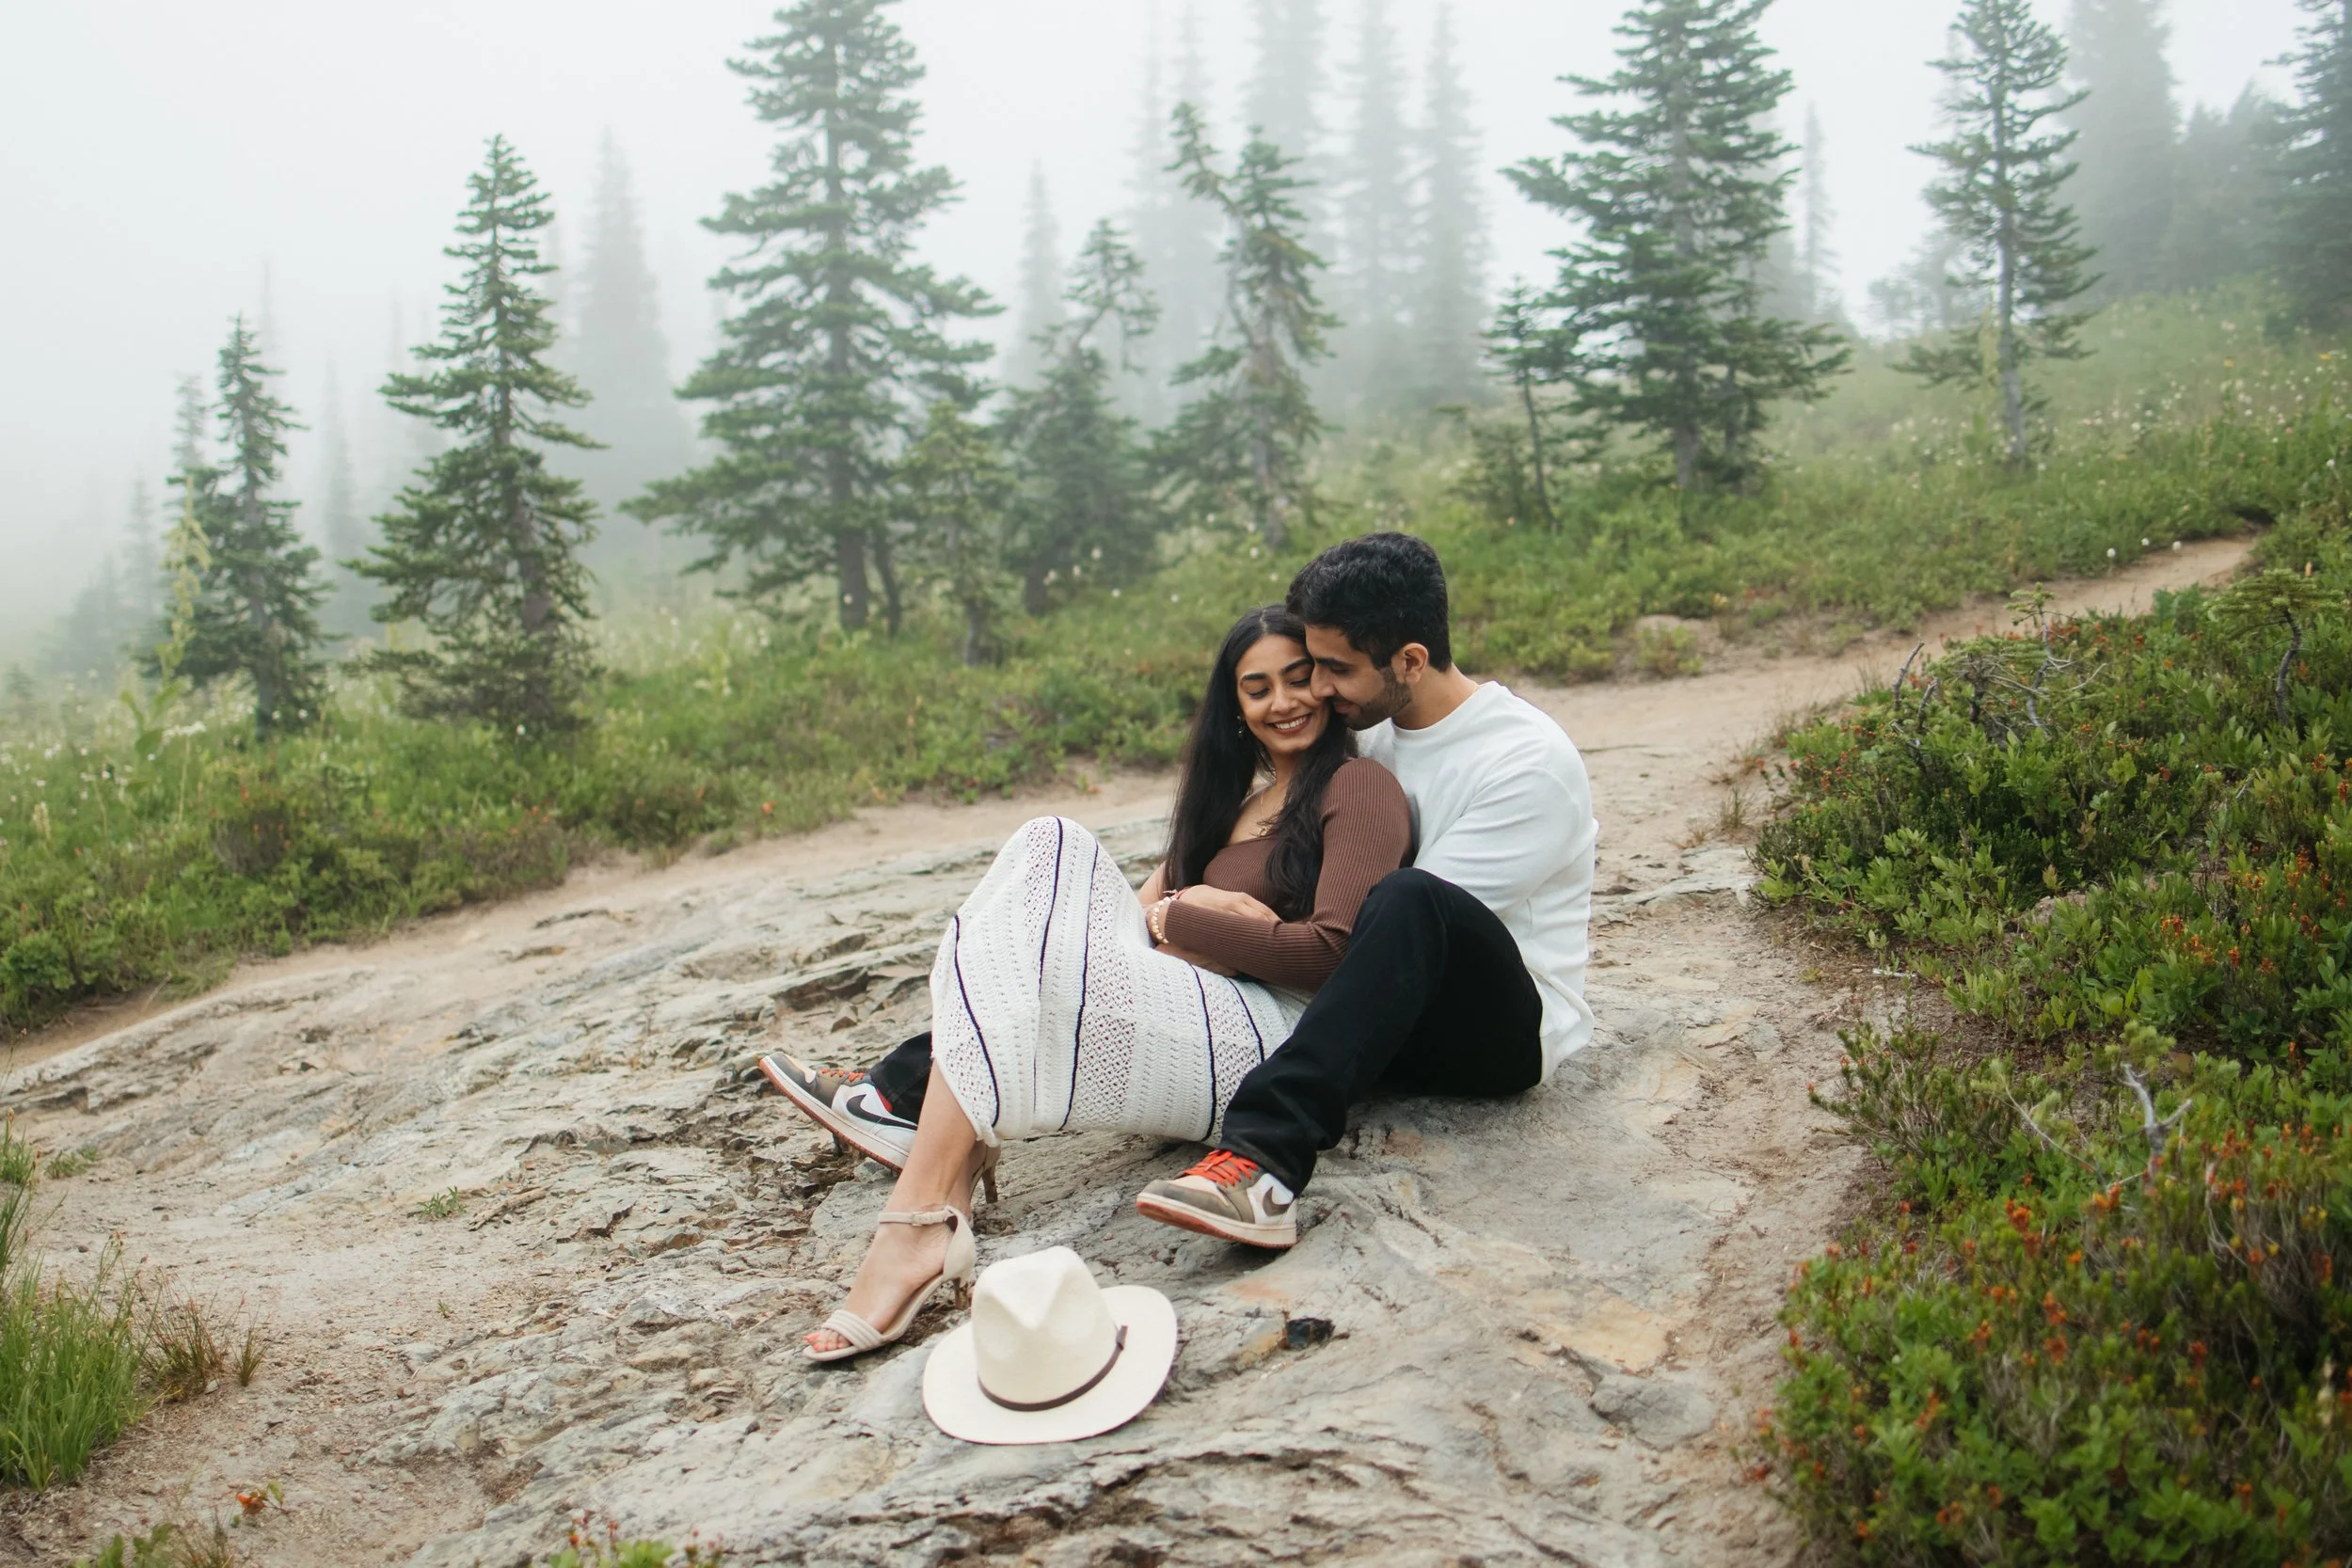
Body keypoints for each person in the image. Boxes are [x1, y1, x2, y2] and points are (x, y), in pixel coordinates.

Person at [763, 605, 1411, 1360]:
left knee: (1057, 867)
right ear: (1235, 709)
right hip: (1196, 1021)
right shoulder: (1230, 814)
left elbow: (1334, 957)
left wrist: (1190, 917)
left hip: (1276, 1048)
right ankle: (942, 1161)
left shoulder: (1358, 787)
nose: (1284, 702)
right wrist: (1185, 913)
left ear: (1331, 687)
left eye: (1301, 679)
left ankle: (918, 1186)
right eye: (1258, 687)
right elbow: (1124, 932)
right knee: (1052, 842)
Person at [1130, 531, 1597, 1248]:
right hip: (1372, 1014)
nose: (1318, 689)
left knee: (1408, 898)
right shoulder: (1370, 734)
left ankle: (1263, 1164)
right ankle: (928, 1077)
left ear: (1409, 660)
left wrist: (1201, 926)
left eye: (1334, 669)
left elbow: (1374, 946)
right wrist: (1183, 907)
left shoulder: (1525, 762)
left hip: (1499, 1028)